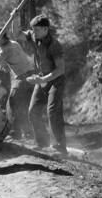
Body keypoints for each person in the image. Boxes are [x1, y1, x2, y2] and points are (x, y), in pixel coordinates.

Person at [12, 14, 67, 155]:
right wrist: (15, 17)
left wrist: (42, 80)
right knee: (34, 111)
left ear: (45, 29)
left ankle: (60, 147)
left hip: (55, 81)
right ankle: (42, 143)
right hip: (42, 79)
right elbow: (16, 34)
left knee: (53, 112)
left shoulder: (54, 45)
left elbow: (60, 69)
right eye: (32, 29)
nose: (33, 32)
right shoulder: (33, 36)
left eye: (36, 30)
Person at [0, 27, 35, 140]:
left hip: (23, 78)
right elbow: (1, 56)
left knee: (11, 104)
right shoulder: (13, 43)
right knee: (22, 106)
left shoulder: (6, 50)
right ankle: (28, 132)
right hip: (30, 74)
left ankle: (15, 132)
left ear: (1, 37)